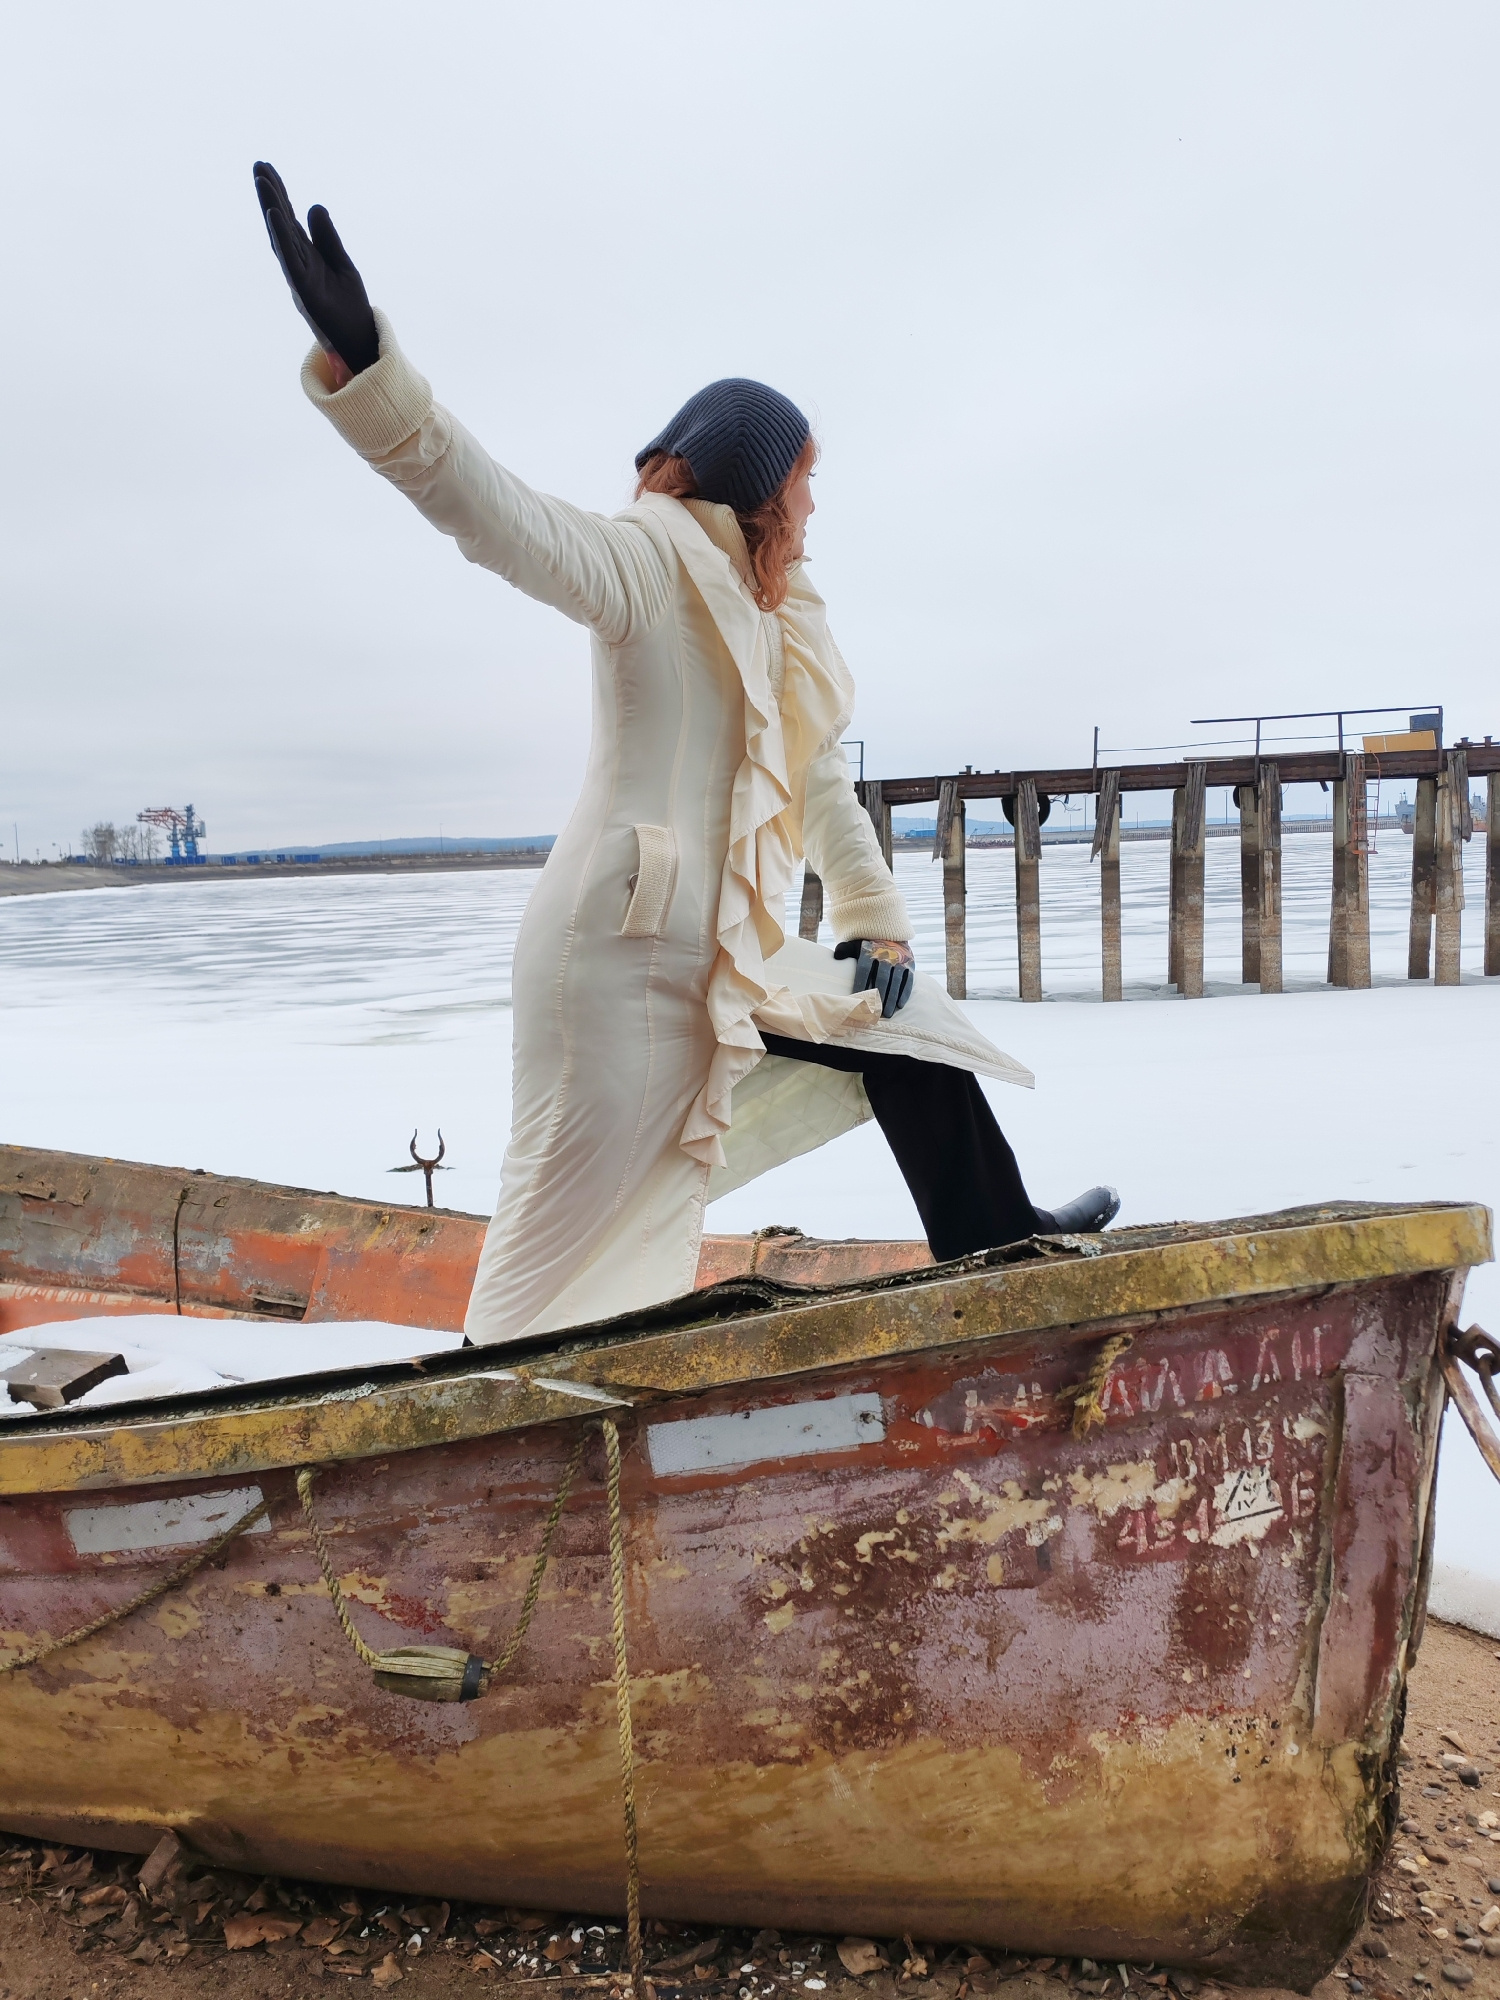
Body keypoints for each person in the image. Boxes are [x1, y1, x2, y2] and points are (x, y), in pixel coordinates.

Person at [252, 164, 1119, 1347]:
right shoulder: (645, 562)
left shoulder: (775, 618)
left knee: (906, 1031)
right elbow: (493, 511)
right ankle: (489, 1390)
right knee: (563, 1229)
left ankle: (1001, 1241)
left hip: (718, 948)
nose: (814, 507)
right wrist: (370, 369)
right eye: (805, 483)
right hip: (611, 961)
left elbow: (814, 776)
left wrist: (875, 920)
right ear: (759, 487)